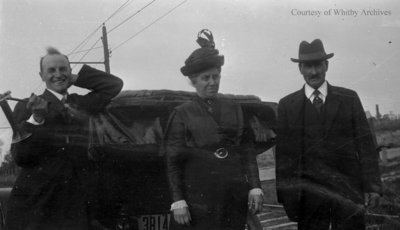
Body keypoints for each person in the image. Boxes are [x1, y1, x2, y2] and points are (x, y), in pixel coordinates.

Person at [5, 47, 123, 230]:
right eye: (51, 71)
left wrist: (73, 78)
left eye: (63, 69)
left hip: (78, 202)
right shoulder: (26, 107)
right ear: (41, 76)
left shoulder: (81, 103)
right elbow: (21, 157)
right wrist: (37, 119)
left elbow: (113, 85)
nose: (57, 74)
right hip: (40, 204)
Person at [275, 39, 382, 230]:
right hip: (308, 199)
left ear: (326, 65)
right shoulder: (286, 106)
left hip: (348, 195)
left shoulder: (348, 99)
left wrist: (372, 187)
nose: (313, 72)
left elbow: (365, 146)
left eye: (318, 65)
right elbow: (284, 158)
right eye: (308, 66)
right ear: (300, 68)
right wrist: (287, 199)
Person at [164, 29, 263, 230]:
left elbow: (248, 151)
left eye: (216, 76)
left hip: (233, 195)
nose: (212, 82)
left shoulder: (234, 107)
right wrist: (178, 200)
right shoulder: (182, 113)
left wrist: (255, 186)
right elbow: (172, 161)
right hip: (198, 197)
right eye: (206, 78)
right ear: (194, 81)